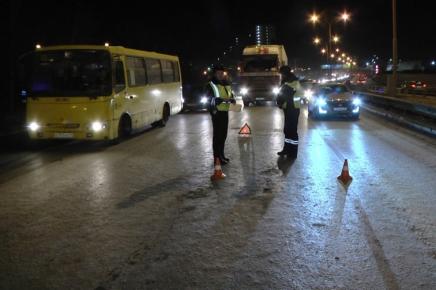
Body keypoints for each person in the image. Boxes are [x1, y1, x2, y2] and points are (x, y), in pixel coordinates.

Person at [204, 64, 236, 165]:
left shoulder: (226, 83)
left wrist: (232, 99)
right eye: (218, 73)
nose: (221, 75)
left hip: (225, 111)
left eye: (222, 73)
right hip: (216, 112)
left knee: (223, 135)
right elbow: (208, 99)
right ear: (214, 74)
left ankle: (221, 155)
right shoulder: (211, 84)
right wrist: (219, 100)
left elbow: (230, 94)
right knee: (217, 136)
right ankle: (217, 158)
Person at [276, 66, 302, 158]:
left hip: (293, 108)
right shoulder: (289, 82)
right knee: (287, 130)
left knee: (292, 131)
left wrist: (279, 102)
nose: (281, 76)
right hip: (289, 108)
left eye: (281, 74)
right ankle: (286, 149)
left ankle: (293, 153)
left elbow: (283, 95)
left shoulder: (291, 83)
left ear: (285, 74)